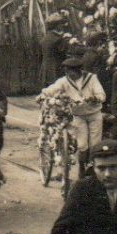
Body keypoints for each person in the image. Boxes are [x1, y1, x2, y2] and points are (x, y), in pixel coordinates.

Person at [40, 48, 106, 185]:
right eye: (67, 72)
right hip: (78, 116)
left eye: (72, 72)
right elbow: (53, 89)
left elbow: (102, 95)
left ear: (79, 71)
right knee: (82, 145)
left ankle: (93, 171)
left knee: (95, 145)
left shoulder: (91, 78)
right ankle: (82, 169)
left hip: (94, 115)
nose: (70, 74)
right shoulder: (64, 81)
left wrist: (94, 98)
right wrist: (43, 94)